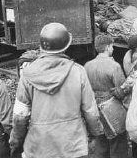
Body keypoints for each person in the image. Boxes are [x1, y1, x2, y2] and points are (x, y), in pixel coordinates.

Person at [9, 22, 103, 158]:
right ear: (66, 45)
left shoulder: (28, 74)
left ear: (42, 46)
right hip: (72, 144)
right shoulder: (78, 72)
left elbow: (20, 116)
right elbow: (90, 111)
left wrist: (16, 142)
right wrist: (95, 134)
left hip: (40, 146)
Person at [84, 34, 128, 158]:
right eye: (112, 46)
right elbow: (120, 91)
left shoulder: (87, 65)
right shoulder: (114, 66)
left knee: (101, 143)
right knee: (118, 145)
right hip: (112, 109)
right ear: (108, 47)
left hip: (94, 110)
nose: (113, 49)